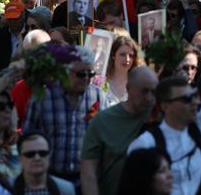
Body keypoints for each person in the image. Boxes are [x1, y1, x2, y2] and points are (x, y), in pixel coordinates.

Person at [127, 34, 201, 195]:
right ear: (166, 105)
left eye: (195, 96)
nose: (195, 102)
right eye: (187, 98)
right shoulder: (144, 144)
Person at [23, 47, 108, 189]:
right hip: (51, 177)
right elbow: (27, 135)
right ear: (65, 72)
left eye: (90, 74)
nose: (87, 78)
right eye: (81, 74)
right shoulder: (42, 97)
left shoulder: (98, 96)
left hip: (87, 178)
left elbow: (106, 136)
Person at [81, 66, 159, 195]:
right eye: (144, 91)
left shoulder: (161, 116)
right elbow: (89, 174)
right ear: (128, 89)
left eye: (154, 92)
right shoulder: (103, 121)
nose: (150, 98)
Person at [0, 0, 26, 73]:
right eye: (9, 18)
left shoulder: (31, 33)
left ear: (23, 15)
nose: (12, 22)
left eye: (15, 18)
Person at [104, 35, 139, 106]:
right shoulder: (101, 82)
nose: (127, 59)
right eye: (123, 55)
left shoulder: (138, 84)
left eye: (131, 56)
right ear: (113, 55)